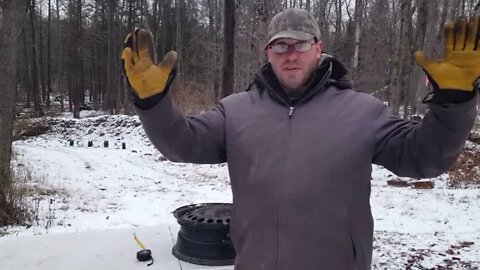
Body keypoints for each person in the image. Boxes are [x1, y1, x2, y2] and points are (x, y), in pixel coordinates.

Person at [121, 8, 479, 270]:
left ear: (318, 47)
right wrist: (154, 104)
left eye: (301, 44)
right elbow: (181, 144)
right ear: (268, 54)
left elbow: (425, 158)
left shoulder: (363, 112)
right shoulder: (236, 111)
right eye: (280, 46)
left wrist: (455, 103)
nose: (290, 53)